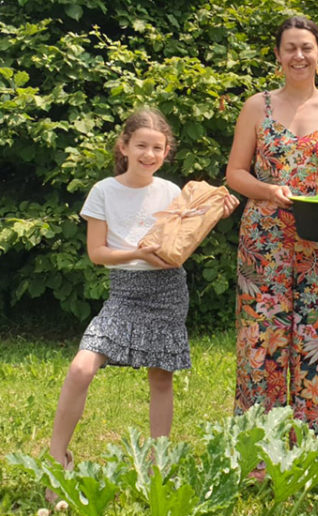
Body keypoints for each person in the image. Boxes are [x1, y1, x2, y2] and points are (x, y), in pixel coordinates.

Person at [46, 108, 239, 503]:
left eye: (157, 147)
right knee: (81, 367)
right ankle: (56, 458)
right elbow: (97, 253)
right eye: (141, 146)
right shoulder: (103, 190)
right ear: (124, 146)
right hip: (124, 292)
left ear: (167, 151)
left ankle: (159, 466)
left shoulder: (171, 192)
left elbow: (182, 241)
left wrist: (217, 210)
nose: (149, 154)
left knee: (161, 378)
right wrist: (136, 251)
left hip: (166, 290)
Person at [226, 16, 318, 434]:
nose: (299, 55)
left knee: (317, 339)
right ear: (278, 56)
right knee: (261, 339)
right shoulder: (257, 106)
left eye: (307, 47)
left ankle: (317, 446)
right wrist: (269, 191)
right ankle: (258, 446)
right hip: (264, 241)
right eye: (290, 47)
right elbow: (235, 173)